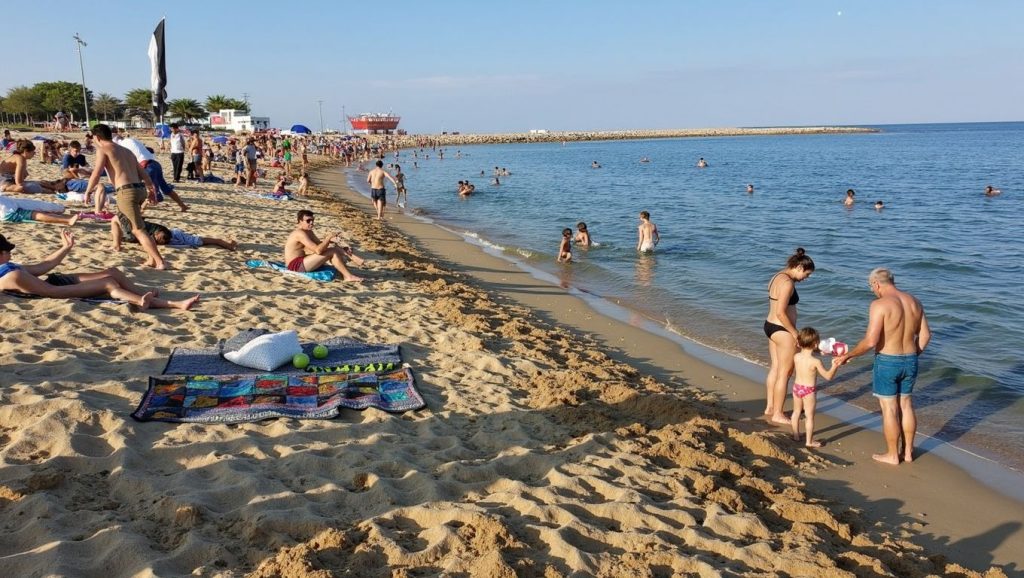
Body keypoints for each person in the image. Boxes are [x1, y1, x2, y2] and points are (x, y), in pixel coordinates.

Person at [836, 268, 931, 465]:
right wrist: (914, 355)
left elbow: (871, 341)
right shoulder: (915, 301)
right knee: (906, 405)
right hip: (911, 359)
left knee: (889, 409)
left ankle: (892, 455)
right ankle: (907, 453)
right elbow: (925, 336)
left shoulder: (879, 304)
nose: (873, 290)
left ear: (876, 284)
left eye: (871, 287)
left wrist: (849, 354)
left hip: (888, 360)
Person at [0, 230, 198, 311]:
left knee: (113, 272)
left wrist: (66, 247)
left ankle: (139, 293)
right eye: (7, 251)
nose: (10, 253)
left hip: (53, 280)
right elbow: (51, 292)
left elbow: (43, 267)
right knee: (108, 283)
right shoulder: (11, 275)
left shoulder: (10, 267)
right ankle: (159, 302)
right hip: (52, 289)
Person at [86, 123, 166, 270]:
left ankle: (160, 261)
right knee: (117, 219)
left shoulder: (103, 149)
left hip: (126, 192)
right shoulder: (127, 151)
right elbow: (144, 174)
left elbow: (96, 174)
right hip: (139, 189)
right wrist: (151, 191)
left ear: (97, 137)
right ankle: (148, 258)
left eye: (92, 138)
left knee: (137, 229)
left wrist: (88, 191)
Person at [763, 248, 815, 425]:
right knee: (785, 373)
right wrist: (796, 334)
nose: (806, 279)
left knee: (775, 368)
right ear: (799, 267)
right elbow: (781, 313)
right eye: (806, 275)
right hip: (782, 330)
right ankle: (778, 413)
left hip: (770, 327)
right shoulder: (787, 284)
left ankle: (770, 406)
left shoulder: (777, 276)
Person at [112, 128, 189, 212]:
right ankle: (182, 205)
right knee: (165, 188)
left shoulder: (122, 146)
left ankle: (141, 211)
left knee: (145, 191)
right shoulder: (132, 140)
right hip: (155, 164)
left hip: (146, 166)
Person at [790, 327, 840, 448]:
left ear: (799, 342)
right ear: (816, 344)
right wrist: (835, 365)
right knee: (809, 416)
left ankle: (796, 435)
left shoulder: (796, 356)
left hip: (797, 388)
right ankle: (809, 441)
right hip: (808, 391)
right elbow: (828, 377)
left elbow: (805, 351)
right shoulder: (815, 361)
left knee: (796, 412)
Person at [284, 209, 364, 281]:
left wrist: (331, 241)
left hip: (301, 261)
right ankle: (348, 273)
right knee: (332, 251)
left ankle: (348, 265)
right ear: (300, 221)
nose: (311, 223)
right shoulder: (300, 233)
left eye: (312, 220)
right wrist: (328, 238)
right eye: (308, 221)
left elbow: (320, 245)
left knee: (333, 249)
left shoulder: (308, 232)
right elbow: (318, 250)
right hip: (295, 266)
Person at [111, 213, 237, 251]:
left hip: (174, 233)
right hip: (170, 233)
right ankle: (224, 243)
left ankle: (224, 243)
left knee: (199, 241)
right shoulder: (137, 232)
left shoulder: (162, 233)